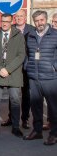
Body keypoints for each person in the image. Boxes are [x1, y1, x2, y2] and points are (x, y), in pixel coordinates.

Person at [0, 13, 25, 138]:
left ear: (11, 21)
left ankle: (15, 127)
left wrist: (8, 69)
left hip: (13, 73)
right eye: (3, 21)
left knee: (15, 100)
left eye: (7, 21)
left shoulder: (18, 35)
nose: (4, 23)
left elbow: (21, 55)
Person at [23, 10, 57, 146]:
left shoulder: (55, 35)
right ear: (34, 22)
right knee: (35, 106)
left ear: (46, 19)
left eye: (42, 20)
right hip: (33, 77)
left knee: (53, 108)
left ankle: (54, 134)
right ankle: (37, 131)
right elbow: (26, 53)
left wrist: (54, 66)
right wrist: (27, 65)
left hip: (50, 77)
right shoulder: (29, 35)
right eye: (36, 21)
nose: (39, 23)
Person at [1, 9, 35, 129]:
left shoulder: (32, 29)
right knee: (13, 94)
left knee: (26, 94)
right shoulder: (11, 29)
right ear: (14, 19)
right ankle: (12, 117)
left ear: (25, 17)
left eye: (21, 16)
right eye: (17, 17)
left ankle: (25, 119)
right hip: (13, 67)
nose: (19, 18)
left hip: (26, 66)